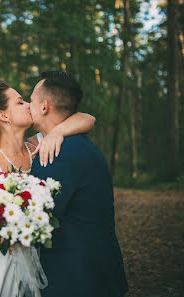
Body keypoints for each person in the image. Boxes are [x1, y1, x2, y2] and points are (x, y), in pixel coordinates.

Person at [0, 79, 96, 297]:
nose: (28, 106)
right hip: (2, 264)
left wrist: (59, 131)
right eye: (20, 102)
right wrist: (9, 240)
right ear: (4, 116)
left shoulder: (39, 144)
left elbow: (88, 119)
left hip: (40, 258)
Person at [29, 71, 129, 297]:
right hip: (95, 270)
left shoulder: (54, 154)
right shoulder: (76, 143)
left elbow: (39, 219)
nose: (27, 104)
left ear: (44, 106)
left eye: (31, 99)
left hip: (75, 279)